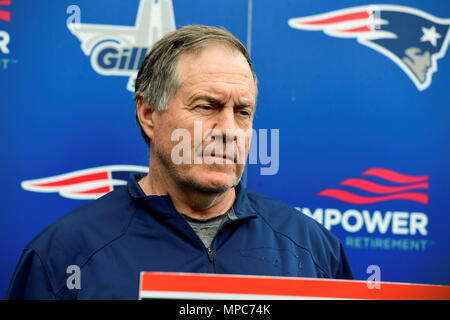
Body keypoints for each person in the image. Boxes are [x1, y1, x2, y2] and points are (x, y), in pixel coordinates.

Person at [5, 25, 353, 300]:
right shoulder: (64, 255)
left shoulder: (313, 251)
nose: (229, 130)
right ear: (148, 114)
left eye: (242, 112)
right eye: (207, 107)